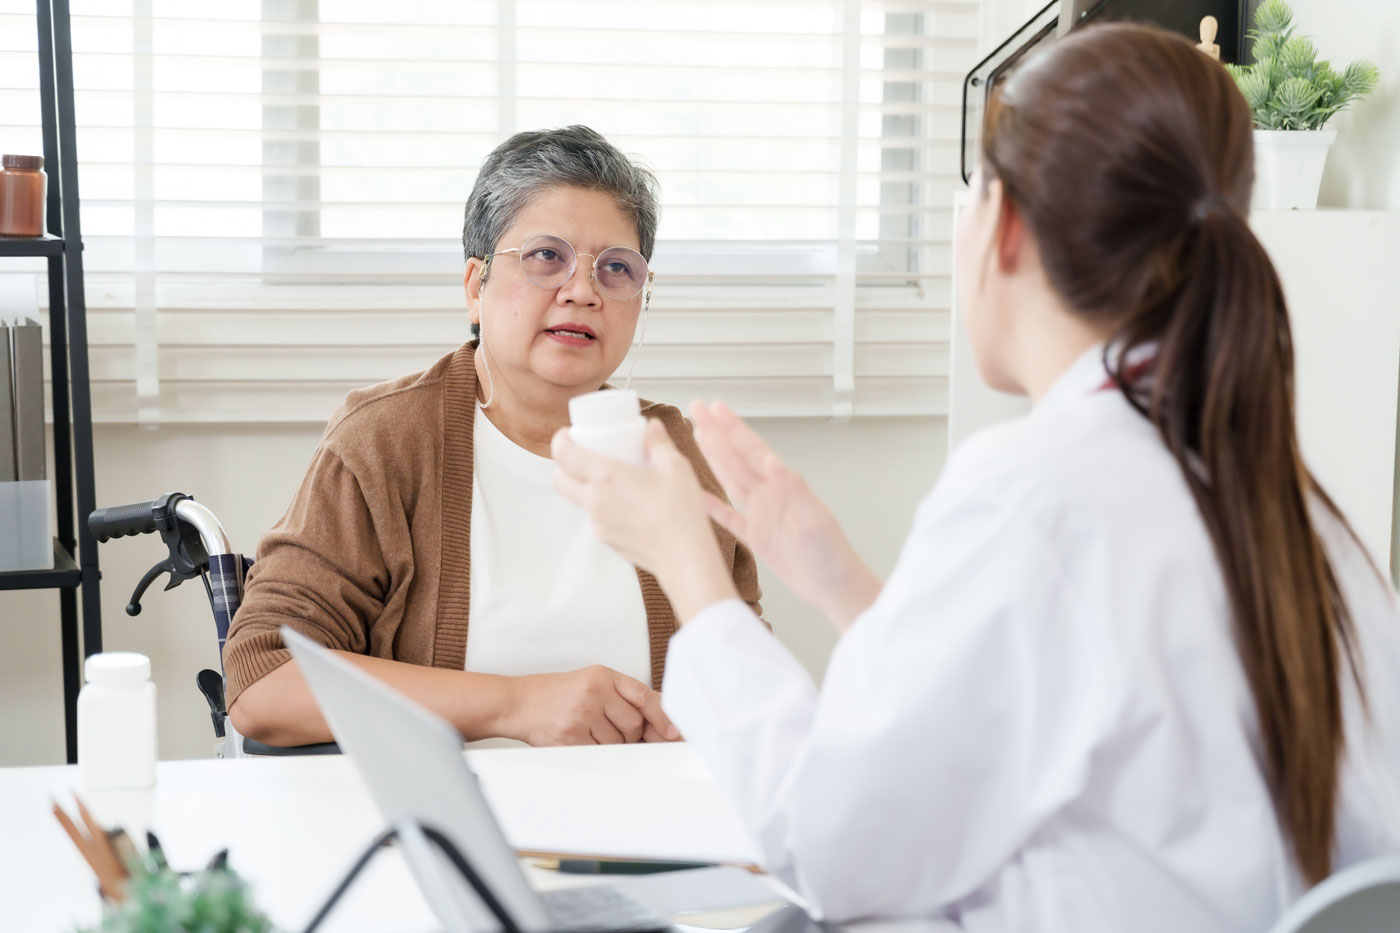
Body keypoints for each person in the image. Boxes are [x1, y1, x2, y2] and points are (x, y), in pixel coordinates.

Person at [552, 24, 1400, 931]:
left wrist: (691, 570)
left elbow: (833, 850)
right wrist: (840, 581)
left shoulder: (1036, 490)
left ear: (1001, 226)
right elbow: (1033, 710)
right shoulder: (1287, 500)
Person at [224, 126, 762, 749]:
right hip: (457, 833)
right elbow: (264, 682)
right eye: (545, 257)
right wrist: (516, 705)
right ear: (476, 287)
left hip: (655, 827)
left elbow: (746, 685)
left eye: (616, 268)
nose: (582, 291)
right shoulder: (387, 441)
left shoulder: (673, 454)